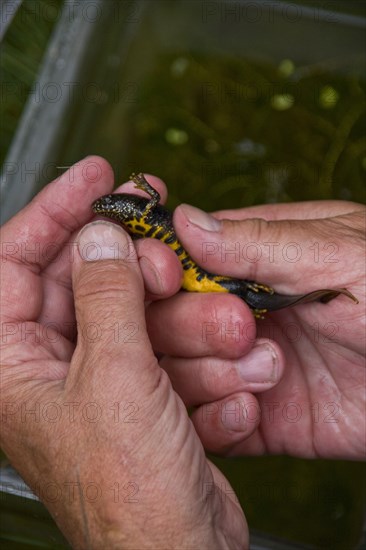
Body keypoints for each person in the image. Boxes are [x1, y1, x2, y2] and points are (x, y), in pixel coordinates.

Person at [1, 156, 364, 548]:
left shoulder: (147, 214)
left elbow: (155, 201)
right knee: (204, 308)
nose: (106, 211)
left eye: (109, 207)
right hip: (196, 278)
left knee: (241, 299)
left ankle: (289, 300)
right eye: (107, 208)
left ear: (125, 210)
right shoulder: (137, 219)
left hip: (212, 277)